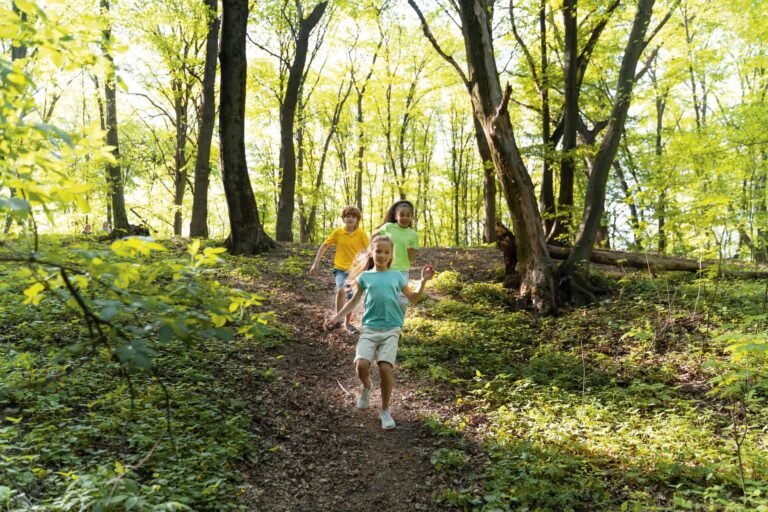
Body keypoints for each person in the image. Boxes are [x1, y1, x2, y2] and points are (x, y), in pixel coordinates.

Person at [324, 234, 434, 430]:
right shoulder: (365, 277)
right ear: (372, 254)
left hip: (391, 328)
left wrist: (423, 281)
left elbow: (414, 298)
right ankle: (366, 387)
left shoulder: (396, 276)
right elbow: (353, 301)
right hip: (369, 328)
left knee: (385, 368)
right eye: (379, 251)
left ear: (391, 255)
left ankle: (385, 410)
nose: (382, 255)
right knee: (361, 365)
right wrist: (336, 317)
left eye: (386, 252)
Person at [309, 206, 369, 333]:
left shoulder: (361, 234)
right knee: (341, 289)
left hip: (355, 271)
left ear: (357, 219)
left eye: (353, 216)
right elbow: (324, 245)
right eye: (347, 216)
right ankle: (337, 319)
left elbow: (370, 250)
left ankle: (347, 323)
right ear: (343, 219)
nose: (350, 218)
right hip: (340, 268)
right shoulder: (338, 233)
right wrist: (315, 263)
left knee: (351, 296)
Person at [376, 200, 419, 310]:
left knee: (402, 301)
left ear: (411, 217)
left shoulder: (413, 235)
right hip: (387, 268)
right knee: (386, 297)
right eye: (402, 215)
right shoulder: (388, 227)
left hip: (403, 271)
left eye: (408, 215)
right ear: (396, 216)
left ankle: (398, 324)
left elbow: (413, 260)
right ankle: (384, 320)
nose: (405, 218)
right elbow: (374, 238)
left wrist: (412, 254)